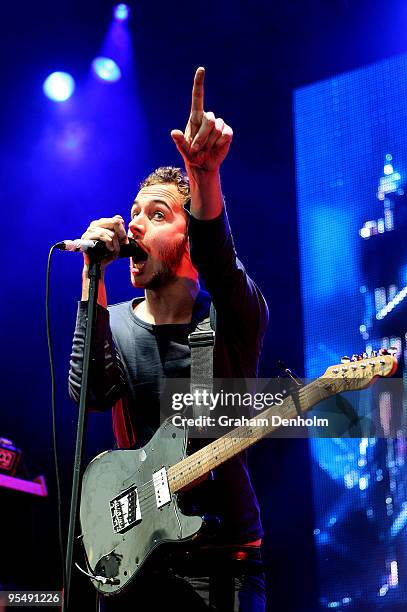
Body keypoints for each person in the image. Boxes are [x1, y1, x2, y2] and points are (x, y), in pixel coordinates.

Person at [69, 67, 269, 611]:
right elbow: (89, 394)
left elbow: (219, 260)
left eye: (156, 215)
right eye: (134, 212)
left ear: (187, 237)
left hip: (222, 561)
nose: (134, 225)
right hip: (133, 560)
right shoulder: (117, 320)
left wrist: (204, 179)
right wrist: (94, 280)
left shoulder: (232, 317)